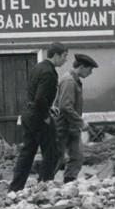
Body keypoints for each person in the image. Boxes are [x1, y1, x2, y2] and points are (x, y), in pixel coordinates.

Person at [8, 43, 69, 191]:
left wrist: (49, 107)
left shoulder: (38, 67)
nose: (65, 60)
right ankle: (45, 184)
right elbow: (40, 98)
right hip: (38, 116)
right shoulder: (49, 72)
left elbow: (36, 94)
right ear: (56, 55)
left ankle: (15, 188)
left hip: (29, 114)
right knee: (51, 151)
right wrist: (45, 116)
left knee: (27, 152)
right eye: (64, 57)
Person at [55, 53, 98, 183]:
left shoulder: (74, 80)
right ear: (82, 67)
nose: (90, 73)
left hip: (71, 126)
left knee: (77, 157)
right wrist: (81, 122)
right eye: (89, 69)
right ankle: (44, 184)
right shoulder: (69, 81)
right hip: (63, 127)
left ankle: (69, 184)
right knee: (57, 158)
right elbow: (65, 106)